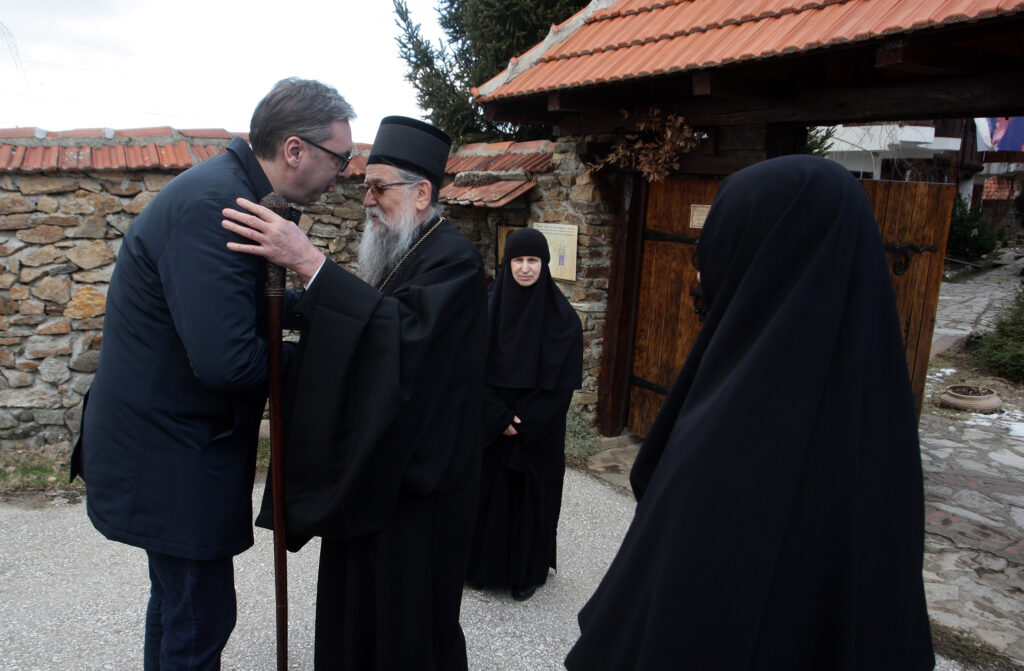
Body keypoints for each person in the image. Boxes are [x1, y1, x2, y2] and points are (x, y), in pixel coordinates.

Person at [565, 155, 935, 670]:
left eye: (718, 241)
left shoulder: (735, 432)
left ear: (767, 252)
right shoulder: (878, 421)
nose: (699, 268)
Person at [70, 77, 356, 670]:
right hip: (167, 453)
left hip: (177, 444)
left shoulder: (237, 192)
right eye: (341, 157)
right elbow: (228, 360)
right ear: (296, 150)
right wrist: (331, 361)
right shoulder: (213, 206)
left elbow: (251, 304)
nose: (346, 172)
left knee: (180, 610)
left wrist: (342, 310)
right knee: (199, 617)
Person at [220, 116, 488, 670]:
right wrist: (293, 304)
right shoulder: (403, 251)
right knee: (359, 614)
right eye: (365, 184)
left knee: (406, 620)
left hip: (423, 483)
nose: (366, 198)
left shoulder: (455, 259)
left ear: (421, 194)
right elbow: (368, 329)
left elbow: (403, 341)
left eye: (378, 186)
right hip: (379, 467)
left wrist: (311, 263)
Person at [465, 227, 582, 600]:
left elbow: (562, 384)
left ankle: (525, 574)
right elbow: (467, 369)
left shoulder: (563, 320)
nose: (526, 268)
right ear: (506, 263)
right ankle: (482, 569)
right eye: (518, 260)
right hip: (492, 425)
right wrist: (497, 417)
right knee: (489, 497)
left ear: (545, 265)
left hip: (538, 432)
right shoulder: (485, 309)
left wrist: (524, 422)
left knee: (532, 500)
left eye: (533, 260)